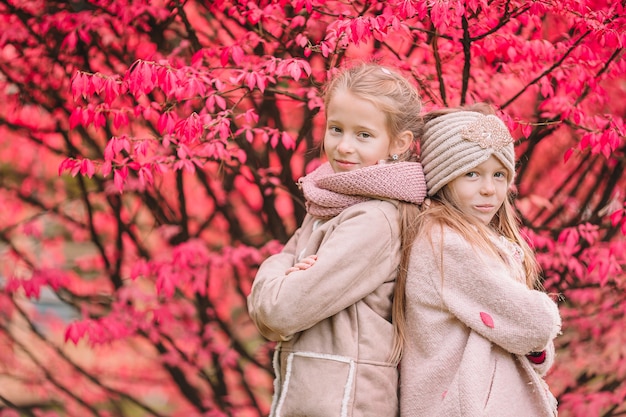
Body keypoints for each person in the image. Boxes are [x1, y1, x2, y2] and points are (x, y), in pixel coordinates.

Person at [247, 63, 427, 417]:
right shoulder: (330, 203)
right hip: (319, 395)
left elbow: (279, 311)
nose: (344, 146)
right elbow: (269, 317)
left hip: (347, 401)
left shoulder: (374, 219)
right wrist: (286, 274)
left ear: (399, 143)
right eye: (335, 129)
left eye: (363, 135)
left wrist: (279, 273)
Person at [395, 103, 562, 417]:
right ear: (443, 178)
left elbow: (537, 352)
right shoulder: (444, 243)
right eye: (471, 174)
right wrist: (534, 330)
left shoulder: (481, 240)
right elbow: (537, 326)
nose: (489, 189)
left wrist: (532, 340)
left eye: (499, 174)